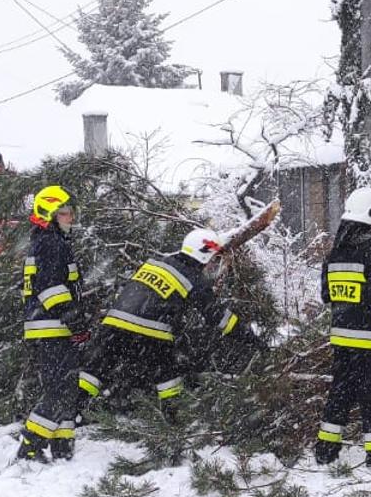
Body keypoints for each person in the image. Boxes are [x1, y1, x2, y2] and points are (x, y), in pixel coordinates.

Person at [21, 227, 243, 464]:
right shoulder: (193, 277)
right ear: (205, 253)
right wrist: (248, 337)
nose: (214, 265)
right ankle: (175, 427)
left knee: (88, 377)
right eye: (214, 258)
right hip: (150, 335)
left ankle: (64, 433)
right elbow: (218, 316)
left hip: (113, 327)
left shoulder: (156, 262)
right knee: (168, 380)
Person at [315, 187, 371, 469]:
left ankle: (326, 448)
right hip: (370, 343)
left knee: (340, 393)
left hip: (342, 340)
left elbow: (327, 295)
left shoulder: (336, 252)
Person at [15, 185, 87, 462]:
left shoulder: (47, 242)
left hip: (51, 328)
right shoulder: (51, 244)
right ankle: (30, 445)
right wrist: (73, 318)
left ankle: (62, 445)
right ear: (50, 215)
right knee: (58, 391)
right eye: (65, 213)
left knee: (67, 389)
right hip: (52, 327)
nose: (71, 218)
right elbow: (50, 288)